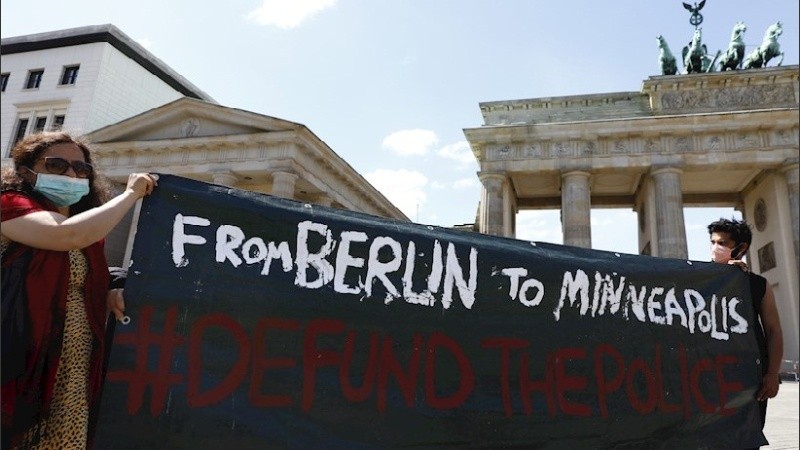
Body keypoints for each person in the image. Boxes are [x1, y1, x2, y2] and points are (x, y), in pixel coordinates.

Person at [1, 131, 157, 449]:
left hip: (74, 360)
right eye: (57, 165)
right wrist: (130, 195)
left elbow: (83, 279)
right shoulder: (10, 205)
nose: (71, 174)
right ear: (26, 171)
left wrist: (112, 290)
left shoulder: (88, 229)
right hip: (20, 356)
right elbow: (65, 237)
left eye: (81, 169)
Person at [708, 217, 783, 446]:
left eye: (722, 243)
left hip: (751, 379)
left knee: (747, 439)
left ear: (741, 248)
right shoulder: (699, 280)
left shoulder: (758, 284)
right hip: (709, 378)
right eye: (712, 242)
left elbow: (773, 330)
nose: (715, 248)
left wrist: (772, 374)